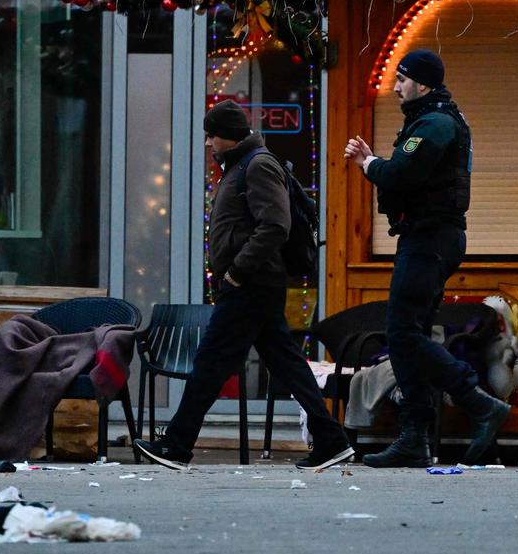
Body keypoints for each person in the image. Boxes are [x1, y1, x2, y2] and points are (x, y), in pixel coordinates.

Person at [135, 100, 355, 472]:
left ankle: (177, 444)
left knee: (211, 360)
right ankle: (331, 440)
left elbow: (275, 225)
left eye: (212, 135)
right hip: (254, 284)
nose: (207, 143)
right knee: (284, 362)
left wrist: (237, 270)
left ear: (229, 136)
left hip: (252, 284)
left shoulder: (258, 165)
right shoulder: (241, 165)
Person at [343, 48, 510, 468]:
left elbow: (401, 173)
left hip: (430, 238)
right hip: (428, 237)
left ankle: (476, 401)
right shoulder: (430, 120)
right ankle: (414, 438)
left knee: (402, 333)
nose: (396, 87)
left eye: (402, 79)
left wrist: (368, 163)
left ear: (424, 83)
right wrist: (377, 162)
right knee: (408, 333)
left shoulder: (436, 123)